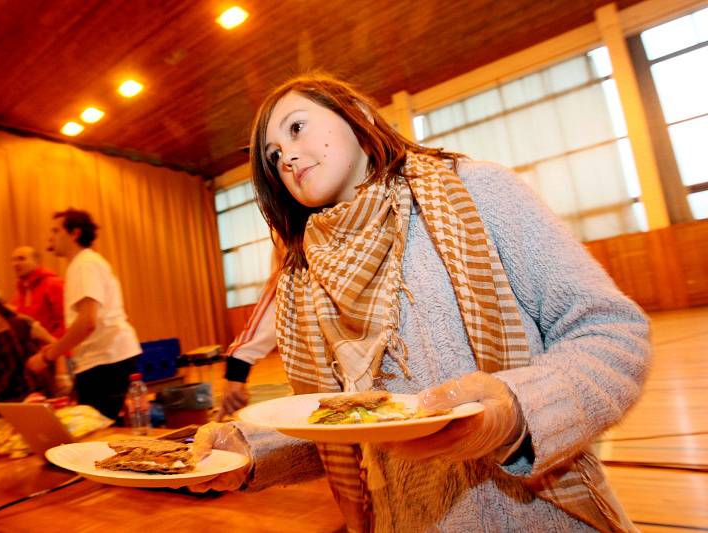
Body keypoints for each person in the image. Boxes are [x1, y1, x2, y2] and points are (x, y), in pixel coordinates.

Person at [192, 73, 650, 533]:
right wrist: (251, 450)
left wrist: (516, 410)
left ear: (361, 117)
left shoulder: (476, 192)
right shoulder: (304, 272)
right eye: (272, 156)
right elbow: (346, 421)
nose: (286, 157)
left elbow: (610, 333)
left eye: (296, 128)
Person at [26, 209, 142, 420]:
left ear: (74, 233)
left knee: (98, 436)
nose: (50, 237)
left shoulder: (84, 264)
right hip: (104, 360)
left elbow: (87, 322)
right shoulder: (84, 264)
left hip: (106, 361)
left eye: (56, 230)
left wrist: (48, 355)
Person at [219, 235, 285, 419]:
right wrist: (238, 368)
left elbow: (280, 295)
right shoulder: (293, 224)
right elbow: (284, 292)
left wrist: (238, 365)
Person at [10, 246, 65, 338]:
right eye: (13, 260)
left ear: (37, 262)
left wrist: (53, 347)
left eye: (21, 259)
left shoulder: (53, 284)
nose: (15, 264)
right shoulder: (21, 290)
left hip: (52, 348)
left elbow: (65, 322)